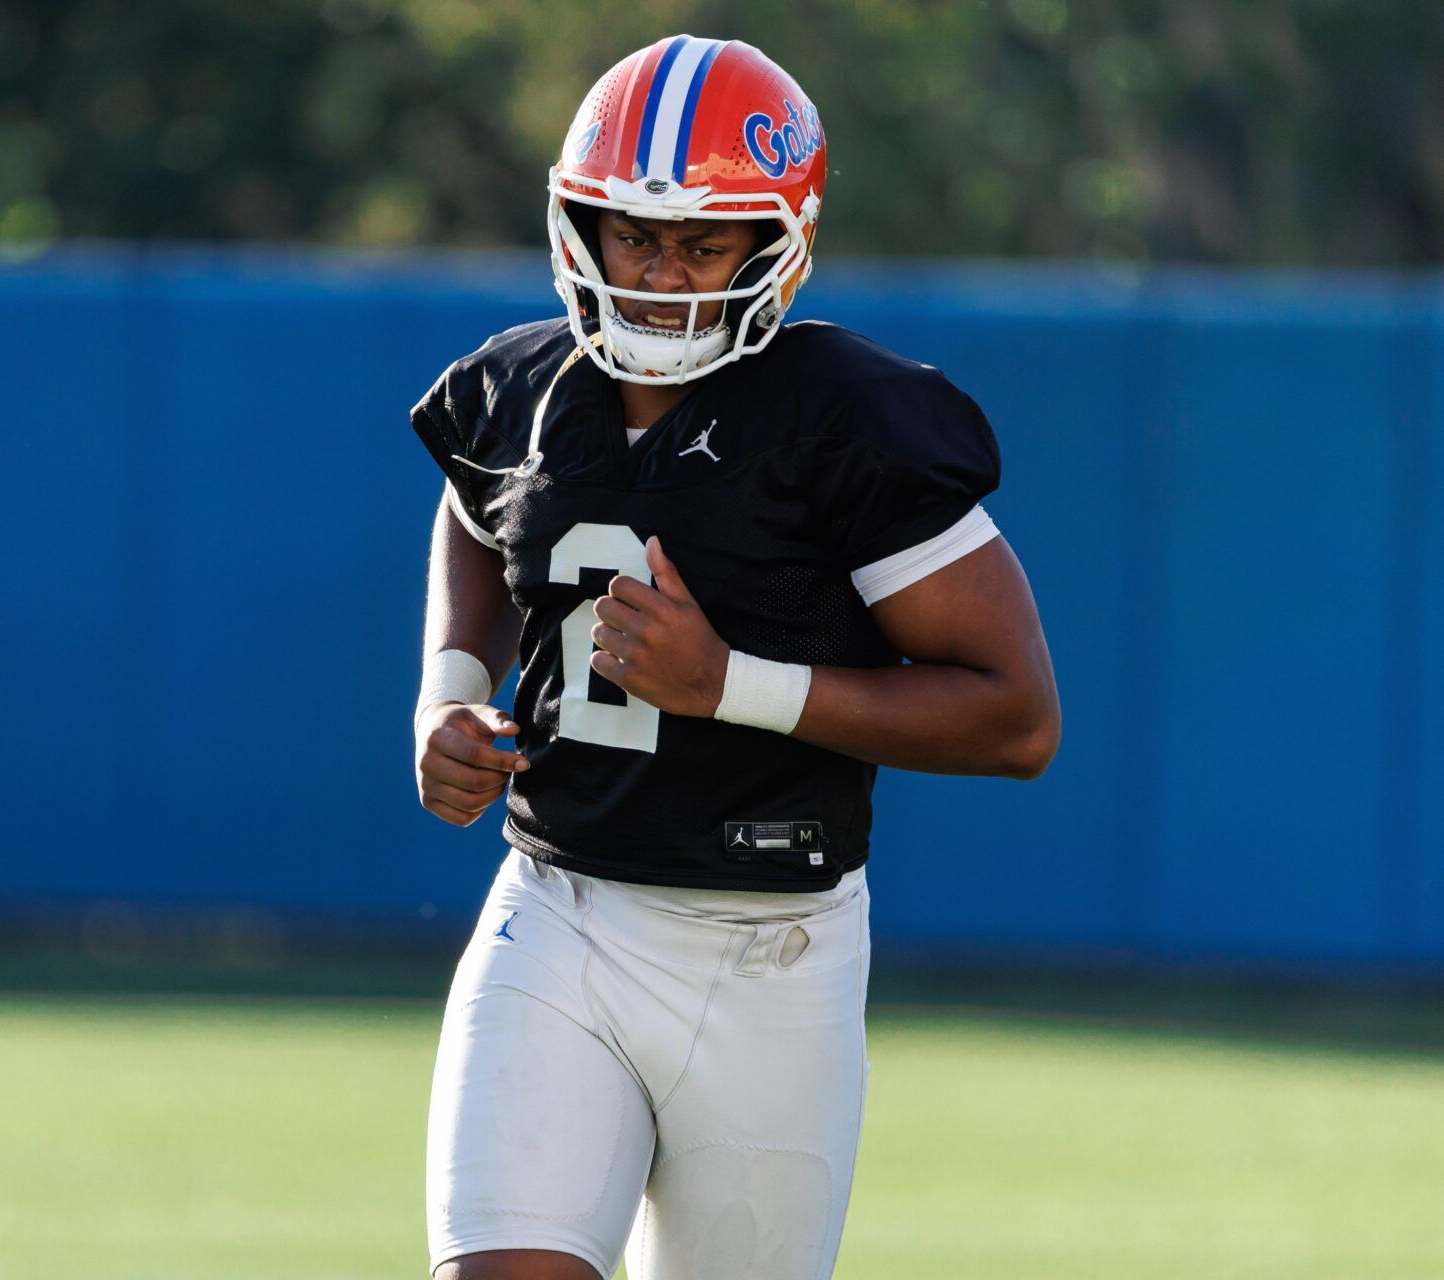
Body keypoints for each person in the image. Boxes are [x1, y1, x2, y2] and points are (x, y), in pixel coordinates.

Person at [408, 34, 1059, 1280]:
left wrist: (730, 686)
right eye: (632, 235)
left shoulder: (844, 418)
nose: (658, 275)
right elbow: (477, 509)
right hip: (559, 908)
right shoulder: (529, 388)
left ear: (777, 244)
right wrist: (449, 689)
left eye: (703, 243)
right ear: (578, 228)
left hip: (773, 950)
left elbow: (1018, 717)